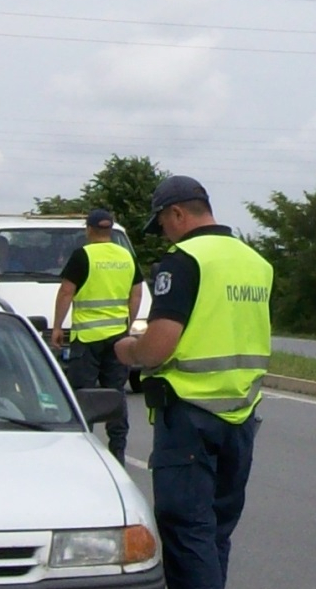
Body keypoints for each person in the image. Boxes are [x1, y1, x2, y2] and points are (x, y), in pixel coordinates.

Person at [114, 175, 273, 589]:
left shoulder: (184, 260)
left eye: (163, 224)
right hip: (241, 416)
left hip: (189, 416)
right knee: (215, 531)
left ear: (178, 213)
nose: (164, 233)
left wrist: (128, 350)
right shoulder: (256, 263)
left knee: (186, 532)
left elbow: (159, 346)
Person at [51, 208, 143, 466]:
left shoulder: (83, 255)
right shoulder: (126, 256)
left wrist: (58, 326)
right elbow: (136, 294)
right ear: (111, 230)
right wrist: (128, 322)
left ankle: (84, 452)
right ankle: (118, 452)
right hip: (117, 337)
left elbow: (66, 292)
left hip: (87, 338)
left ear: (89, 230)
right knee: (115, 394)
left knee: (84, 394)